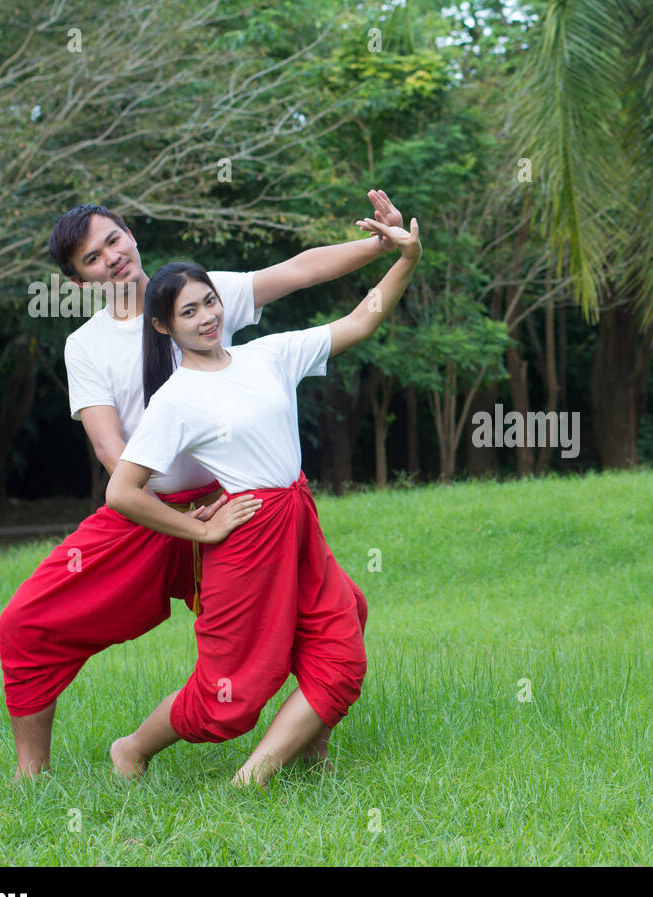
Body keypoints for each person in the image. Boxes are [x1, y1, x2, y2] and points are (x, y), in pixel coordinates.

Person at [0, 193, 402, 778]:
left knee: (341, 609)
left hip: (234, 503)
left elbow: (298, 270)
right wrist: (186, 525)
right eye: (92, 258)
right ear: (77, 278)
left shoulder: (197, 294)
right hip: (146, 510)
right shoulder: (85, 346)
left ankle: (308, 745)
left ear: (130, 235)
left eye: (113, 240)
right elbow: (113, 453)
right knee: (25, 622)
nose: (110, 258)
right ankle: (30, 775)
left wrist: (381, 244)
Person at [105, 214, 420, 787]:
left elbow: (359, 322)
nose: (207, 318)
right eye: (189, 312)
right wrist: (200, 532)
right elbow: (121, 491)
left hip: (298, 524)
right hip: (247, 542)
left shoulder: (267, 355)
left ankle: (257, 778)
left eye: (209, 303)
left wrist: (405, 260)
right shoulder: (175, 400)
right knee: (229, 697)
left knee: (343, 634)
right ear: (164, 326)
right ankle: (131, 748)